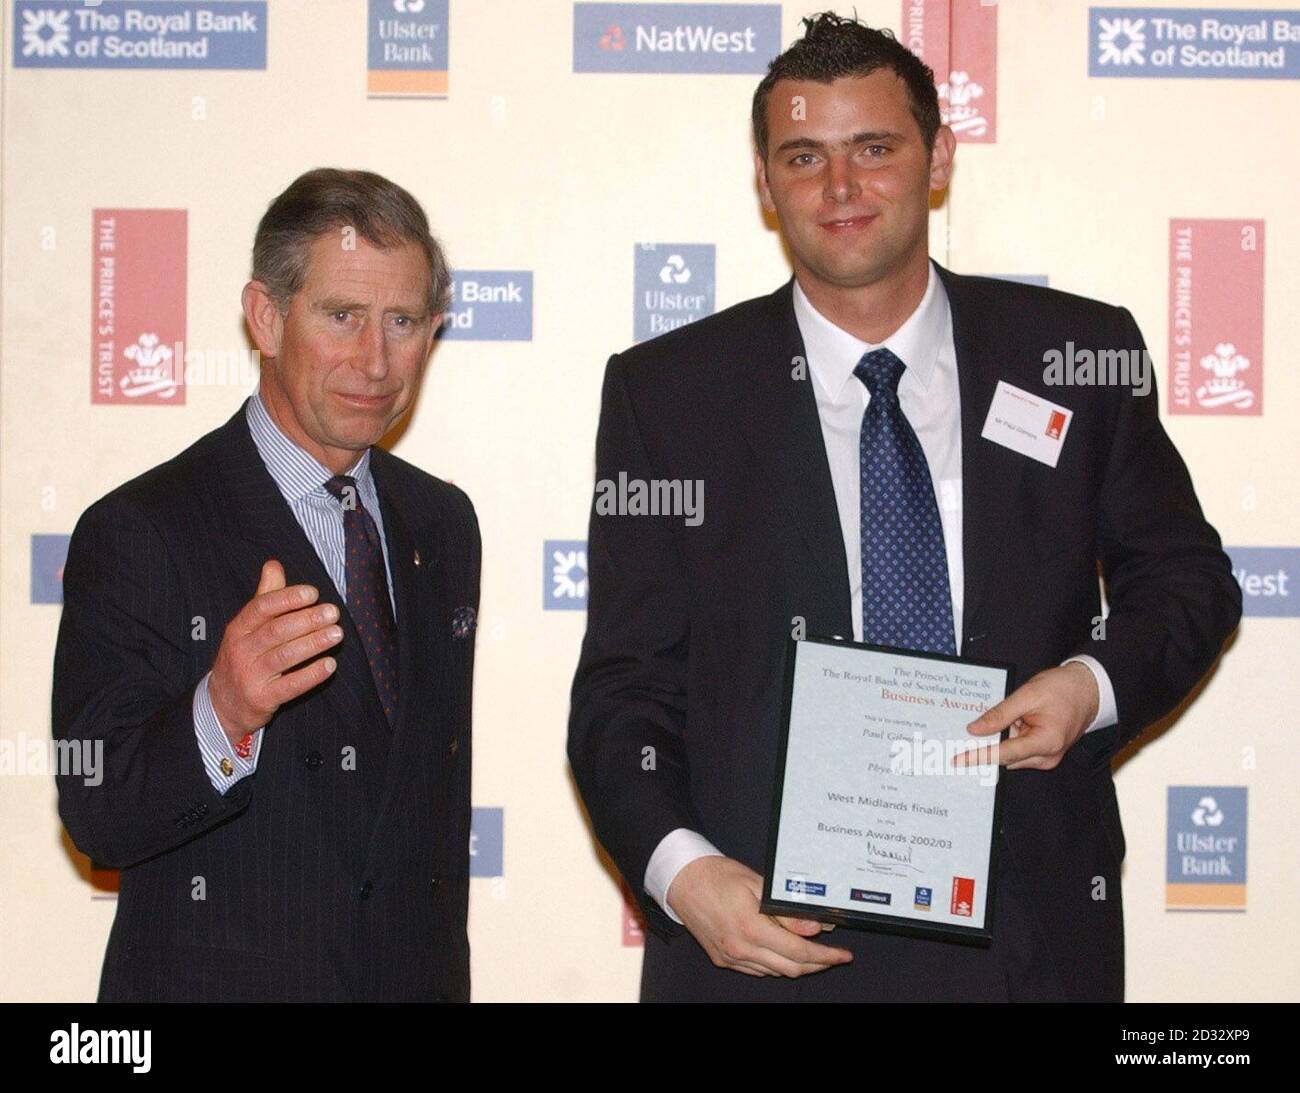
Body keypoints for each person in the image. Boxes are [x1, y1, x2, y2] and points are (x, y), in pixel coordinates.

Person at [568, 13, 1241, 1001]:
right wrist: (683, 874)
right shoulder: (669, 394)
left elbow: (1186, 583)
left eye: (873, 149)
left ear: (937, 159)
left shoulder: (1074, 356)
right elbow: (623, 687)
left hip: (1025, 941)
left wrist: (1088, 686)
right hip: (766, 944)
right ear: (764, 183)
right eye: (804, 157)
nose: (839, 188)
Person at [53, 168, 480, 1002]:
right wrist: (223, 711)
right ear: (266, 317)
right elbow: (95, 809)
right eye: (342, 316)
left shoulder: (443, 523)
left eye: (403, 322)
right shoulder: (142, 527)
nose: (376, 359)